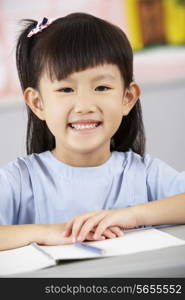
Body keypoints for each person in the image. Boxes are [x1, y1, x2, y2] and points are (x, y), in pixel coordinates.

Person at [0, 13, 185, 251]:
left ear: (127, 98)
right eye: (66, 89)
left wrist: (132, 215)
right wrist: (48, 232)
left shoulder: (143, 174)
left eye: (101, 87)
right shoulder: (20, 180)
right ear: (37, 103)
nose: (85, 105)